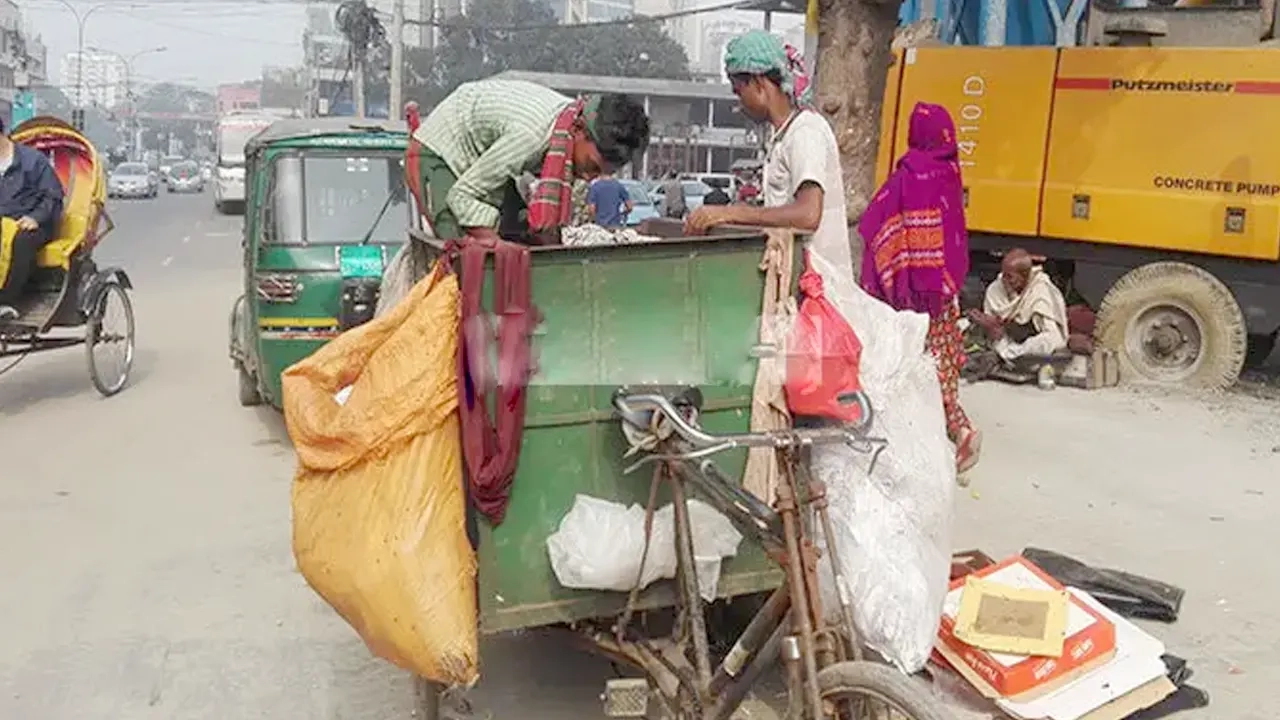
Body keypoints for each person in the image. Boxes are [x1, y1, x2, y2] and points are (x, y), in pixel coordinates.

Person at [858, 102, 980, 473]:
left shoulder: (907, 174)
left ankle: (927, 441)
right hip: (942, 293)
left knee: (903, 365)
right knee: (941, 363)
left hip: (904, 297)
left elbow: (874, 222)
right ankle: (955, 430)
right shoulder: (949, 172)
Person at [684, 31, 855, 280]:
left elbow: (807, 215)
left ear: (759, 84)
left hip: (818, 291)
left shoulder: (806, 131)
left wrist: (731, 213)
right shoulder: (783, 136)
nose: (739, 103)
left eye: (739, 91)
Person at [406, 79, 649, 244]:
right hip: (437, 152)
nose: (588, 178)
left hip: (478, 159)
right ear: (579, 130)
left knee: (527, 236)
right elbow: (461, 196)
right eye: (592, 167)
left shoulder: (568, 121)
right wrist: (495, 246)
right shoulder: (531, 137)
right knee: (467, 260)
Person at [0, 118, 65, 320]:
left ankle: (5, 302)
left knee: (21, 240)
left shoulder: (33, 161)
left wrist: (35, 217)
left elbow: (53, 196)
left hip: (34, 224)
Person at [969, 248, 1069, 363]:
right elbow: (992, 326)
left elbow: (1051, 334)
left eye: (1010, 277)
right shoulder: (996, 288)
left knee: (1046, 341)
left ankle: (1008, 354)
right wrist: (990, 325)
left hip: (1028, 341)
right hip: (1003, 339)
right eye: (1003, 275)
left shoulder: (1040, 290)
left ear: (1024, 276)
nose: (1005, 281)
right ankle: (1004, 354)